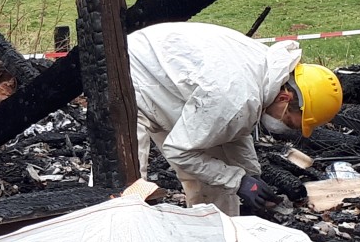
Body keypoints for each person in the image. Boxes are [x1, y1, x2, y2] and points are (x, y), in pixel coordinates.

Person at [125, 21, 344, 216]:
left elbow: (233, 132)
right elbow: (179, 151)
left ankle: (217, 236)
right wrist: (238, 181)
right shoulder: (237, 97)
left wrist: (251, 175)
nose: (284, 127)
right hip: (127, 80)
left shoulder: (266, 74)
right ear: (284, 98)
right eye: (288, 121)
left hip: (167, 81)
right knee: (127, 191)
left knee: (215, 175)